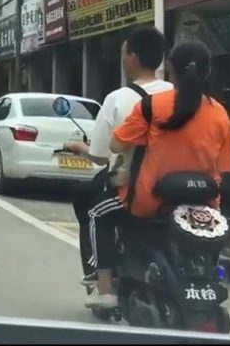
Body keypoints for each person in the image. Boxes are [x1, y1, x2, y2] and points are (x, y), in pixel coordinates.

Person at [84, 40, 230, 310]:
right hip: (204, 208)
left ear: (171, 71)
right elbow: (221, 167)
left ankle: (104, 291)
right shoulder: (221, 114)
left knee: (97, 213)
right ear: (207, 72)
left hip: (149, 202)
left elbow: (116, 144)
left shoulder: (152, 106)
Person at [63, 27, 172, 288]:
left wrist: (80, 148)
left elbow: (101, 157)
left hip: (134, 187)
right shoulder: (177, 95)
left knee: (90, 205)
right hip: (173, 182)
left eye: (124, 54)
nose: (122, 60)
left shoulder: (117, 99)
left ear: (132, 58)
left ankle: (101, 280)